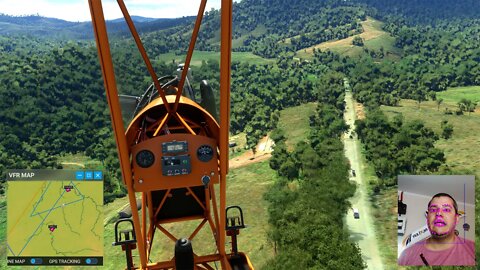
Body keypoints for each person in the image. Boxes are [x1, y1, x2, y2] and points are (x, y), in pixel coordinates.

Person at [398, 193, 475, 266]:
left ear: (456, 219)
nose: (438, 213)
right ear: (427, 218)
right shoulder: (407, 256)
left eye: (446, 210)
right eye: (433, 210)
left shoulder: (473, 249)